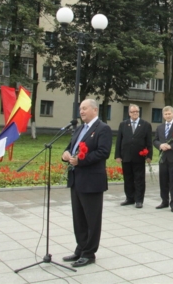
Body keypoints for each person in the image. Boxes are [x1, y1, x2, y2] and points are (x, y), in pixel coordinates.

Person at [61, 99, 113, 268]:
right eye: (80, 109)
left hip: (92, 180)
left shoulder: (102, 129)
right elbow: (70, 147)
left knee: (92, 218)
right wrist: (66, 154)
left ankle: (89, 253)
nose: (81, 111)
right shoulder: (79, 129)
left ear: (94, 110)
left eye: (84, 108)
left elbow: (103, 152)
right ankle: (81, 248)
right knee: (79, 218)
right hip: (76, 179)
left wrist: (80, 161)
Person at [115, 104, 153, 208]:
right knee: (128, 178)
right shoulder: (123, 124)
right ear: (129, 113)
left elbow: (149, 142)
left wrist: (149, 156)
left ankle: (139, 200)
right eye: (132, 112)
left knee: (139, 179)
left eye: (136, 111)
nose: (134, 113)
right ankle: (129, 198)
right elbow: (119, 141)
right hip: (126, 156)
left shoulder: (145, 125)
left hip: (139, 157)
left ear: (139, 112)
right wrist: (117, 155)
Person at [153, 106, 173, 212]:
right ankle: (164, 201)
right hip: (163, 158)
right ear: (163, 115)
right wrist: (160, 145)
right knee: (163, 181)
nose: (167, 116)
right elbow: (155, 140)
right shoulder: (160, 127)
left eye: (169, 114)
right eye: (165, 114)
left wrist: (171, 146)